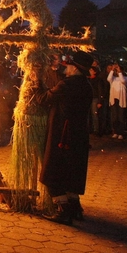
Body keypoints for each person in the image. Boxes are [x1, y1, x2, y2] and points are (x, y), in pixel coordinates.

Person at [36, 51, 94, 225]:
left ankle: (63, 210)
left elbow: (43, 99)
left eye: (68, 66)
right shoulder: (86, 85)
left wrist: (37, 81)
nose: (65, 68)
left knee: (53, 172)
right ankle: (75, 208)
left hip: (63, 134)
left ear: (75, 68)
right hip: (79, 134)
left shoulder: (67, 85)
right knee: (72, 171)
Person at [107, 63, 127, 139]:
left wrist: (119, 71)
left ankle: (121, 132)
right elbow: (108, 79)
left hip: (121, 100)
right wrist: (112, 70)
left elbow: (122, 80)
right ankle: (115, 131)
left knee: (121, 116)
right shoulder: (113, 78)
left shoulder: (126, 78)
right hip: (114, 99)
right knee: (114, 116)